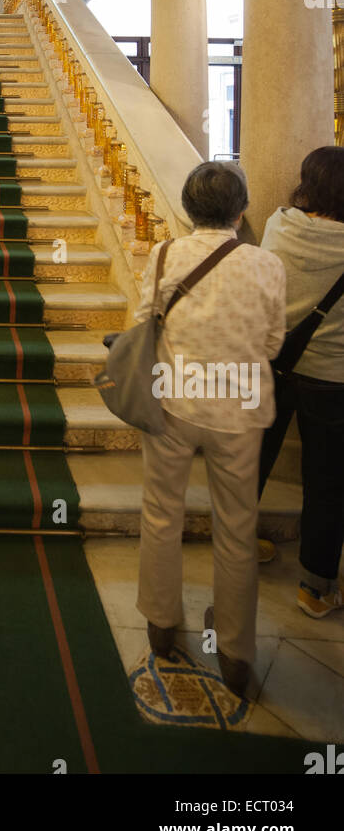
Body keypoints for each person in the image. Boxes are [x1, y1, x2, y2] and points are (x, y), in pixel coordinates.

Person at [133, 162, 286, 697]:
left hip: (174, 403)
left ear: (187, 207)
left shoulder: (165, 255)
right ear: (241, 211)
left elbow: (142, 321)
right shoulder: (267, 265)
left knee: (160, 512)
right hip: (240, 411)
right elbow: (271, 345)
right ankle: (238, 655)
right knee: (238, 529)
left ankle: (159, 622)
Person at [259, 146, 344, 617]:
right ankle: (314, 587)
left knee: (252, 461)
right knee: (327, 484)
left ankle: (238, 544)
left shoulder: (280, 224)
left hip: (273, 365)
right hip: (332, 380)